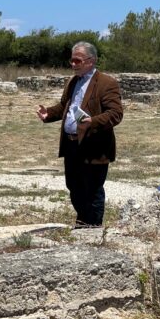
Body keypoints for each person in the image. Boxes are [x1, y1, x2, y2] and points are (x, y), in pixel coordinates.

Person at [36, 41, 123, 228]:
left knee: (92, 189)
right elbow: (64, 107)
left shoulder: (107, 83)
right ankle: (82, 222)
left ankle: (93, 228)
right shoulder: (73, 82)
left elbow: (116, 114)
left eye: (77, 60)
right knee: (74, 187)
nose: (73, 64)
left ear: (91, 61)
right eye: (72, 60)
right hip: (72, 144)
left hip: (94, 145)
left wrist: (93, 121)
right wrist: (48, 114)